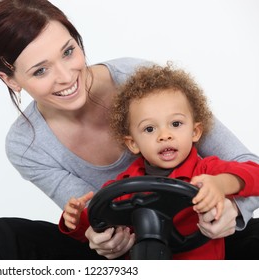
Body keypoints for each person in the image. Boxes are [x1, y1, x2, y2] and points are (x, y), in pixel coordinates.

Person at [0, 0, 259, 260]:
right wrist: (96, 234)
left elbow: (251, 167)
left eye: (68, 52)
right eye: (40, 70)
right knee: (4, 237)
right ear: (11, 80)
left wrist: (234, 208)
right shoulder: (26, 145)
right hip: (128, 252)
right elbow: (90, 213)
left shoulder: (138, 80)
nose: (65, 76)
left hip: (205, 236)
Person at [59, 64, 259, 259]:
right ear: (133, 143)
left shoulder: (206, 171)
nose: (164, 135)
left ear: (195, 132)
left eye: (176, 124)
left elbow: (255, 174)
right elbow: (99, 225)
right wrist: (75, 221)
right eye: (149, 129)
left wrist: (222, 184)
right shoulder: (123, 186)